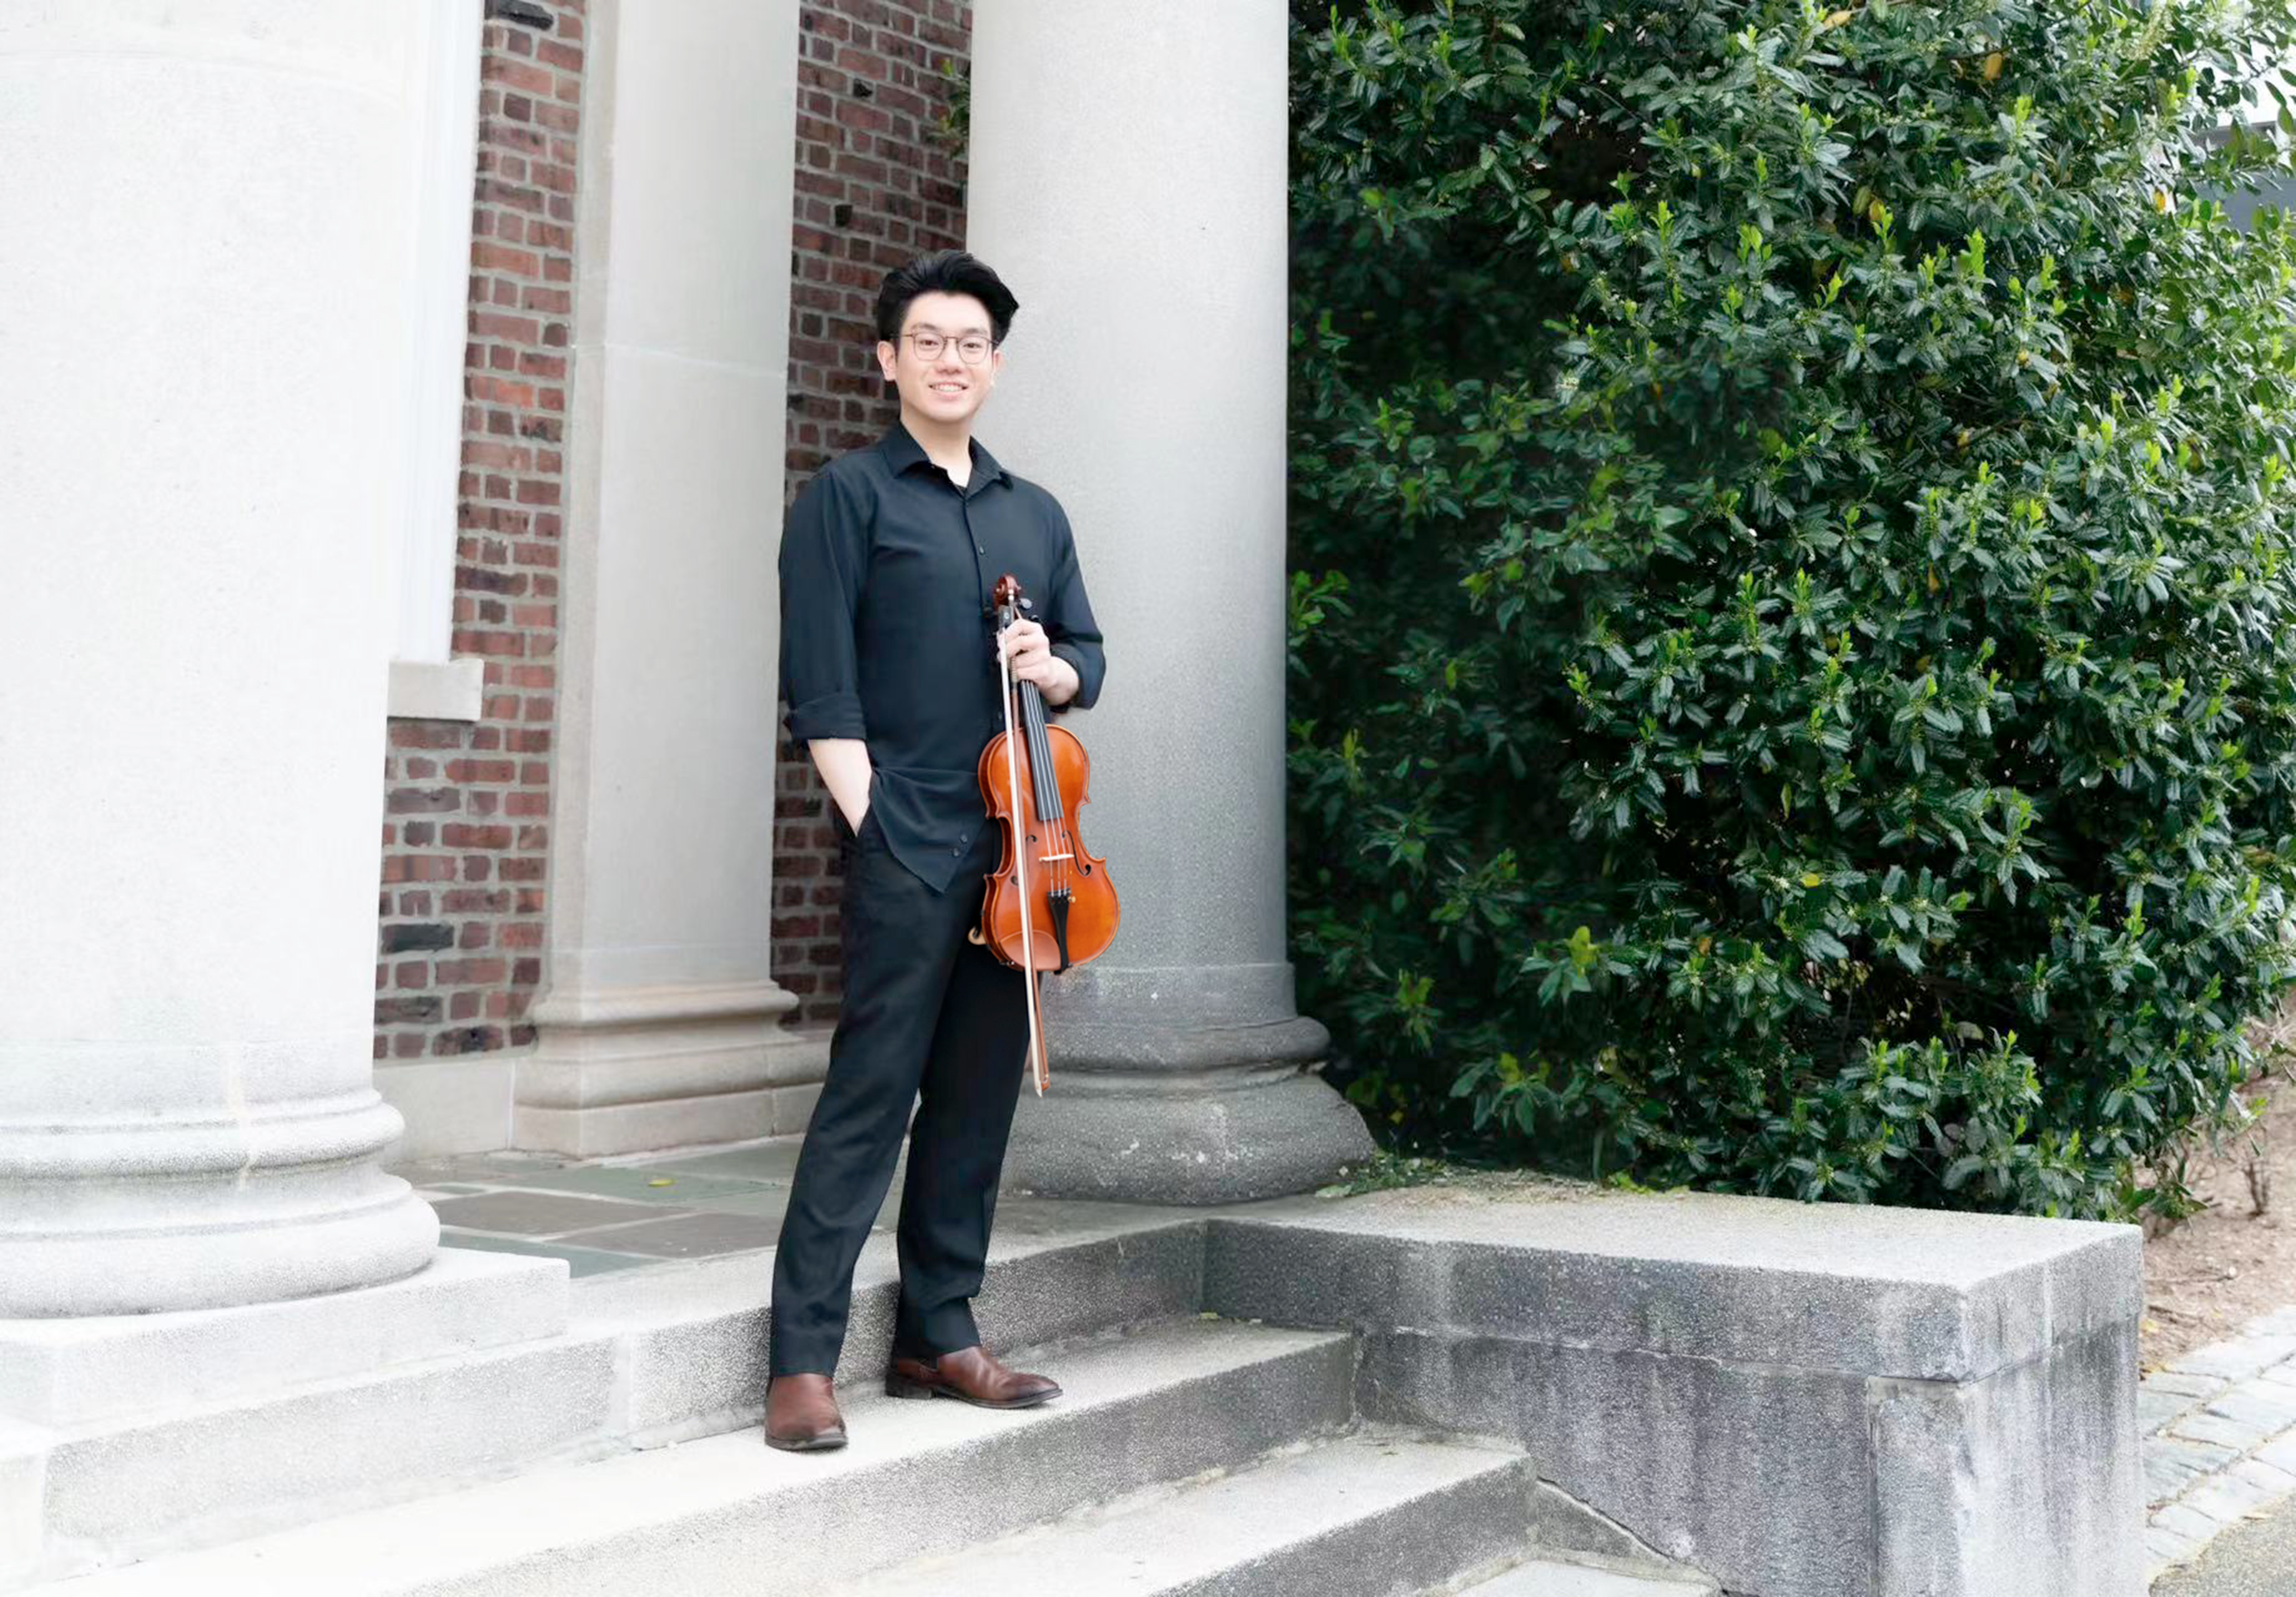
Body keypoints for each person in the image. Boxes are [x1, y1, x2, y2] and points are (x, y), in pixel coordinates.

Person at [764, 250, 1106, 1452]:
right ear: (888, 360)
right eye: (927, 341)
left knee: (975, 1099)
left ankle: (938, 1334)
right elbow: (823, 687)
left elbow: (1089, 660)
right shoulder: (846, 497)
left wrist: (1053, 668)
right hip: (907, 841)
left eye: (970, 343)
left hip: (1023, 853)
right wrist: (877, 826)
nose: (950, 360)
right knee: (870, 1097)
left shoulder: (1035, 514)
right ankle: (802, 1361)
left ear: (994, 365)